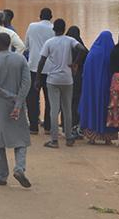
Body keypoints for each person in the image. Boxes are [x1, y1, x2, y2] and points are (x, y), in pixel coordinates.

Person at [0, 33, 32, 188]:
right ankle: (19, 168)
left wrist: (8, 96)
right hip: (17, 106)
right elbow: (26, 83)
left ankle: (1, 175)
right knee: (21, 139)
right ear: (10, 44)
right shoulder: (21, 59)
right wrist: (18, 102)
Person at [36, 19, 87, 148]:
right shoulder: (70, 40)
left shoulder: (49, 42)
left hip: (53, 79)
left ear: (54, 29)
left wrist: (37, 78)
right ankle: (69, 138)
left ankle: (54, 140)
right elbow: (83, 50)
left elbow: (42, 61)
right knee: (67, 109)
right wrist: (75, 63)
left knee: (54, 109)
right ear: (64, 29)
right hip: (67, 79)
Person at [78, 31, 118, 145]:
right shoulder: (112, 53)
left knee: (92, 108)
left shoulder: (92, 53)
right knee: (106, 109)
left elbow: (85, 73)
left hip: (92, 89)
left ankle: (92, 138)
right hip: (107, 88)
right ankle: (108, 138)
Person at [24, 8, 55, 135]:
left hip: (34, 68)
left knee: (32, 99)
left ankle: (33, 127)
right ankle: (48, 127)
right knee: (50, 99)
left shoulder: (32, 26)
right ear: (51, 17)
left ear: (40, 16)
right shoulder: (54, 28)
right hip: (51, 69)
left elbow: (26, 46)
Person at [66, 25, 88, 137]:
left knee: (65, 102)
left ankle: (65, 126)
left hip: (64, 77)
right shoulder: (80, 46)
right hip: (77, 78)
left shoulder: (65, 44)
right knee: (76, 103)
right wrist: (76, 63)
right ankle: (74, 127)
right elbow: (86, 54)